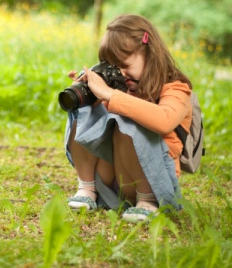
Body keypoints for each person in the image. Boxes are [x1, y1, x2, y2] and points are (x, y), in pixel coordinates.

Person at [64, 14, 192, 223]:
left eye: (124, 65)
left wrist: (110, 95)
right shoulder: (120, 88)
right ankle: (87, 188)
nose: (121, 75)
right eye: (113, 67)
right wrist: (87, 94)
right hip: (114, 181)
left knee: (127, 121)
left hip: (155, 182)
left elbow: (164, 120)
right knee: (85, 109)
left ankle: (147, 202)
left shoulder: (176, 88)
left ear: (149, 53)